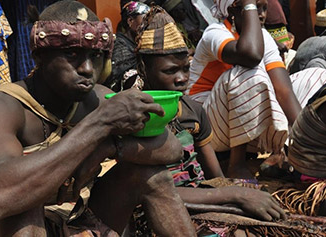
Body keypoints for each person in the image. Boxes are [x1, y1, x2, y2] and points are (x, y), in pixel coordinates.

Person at [0, 1, 197, 236]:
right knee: (24, 204)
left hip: (73, 218)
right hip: (9, 227)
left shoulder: (99, 100)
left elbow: (172, 149)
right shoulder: (3, 106)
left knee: (150, 175)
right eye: (71, 53)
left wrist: (109, 146)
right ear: (39, 56)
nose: (86, 68)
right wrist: (99, 124)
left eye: (95, 55)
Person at [133, 5, 286, 222]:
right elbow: (147, 191)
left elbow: (216, 179)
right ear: (144, 70)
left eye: (186, 68)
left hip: (201, 202)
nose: (181, 78)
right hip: (158, 212)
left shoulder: (192, 110)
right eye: (170, 71)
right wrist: (236, 194)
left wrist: (241, 195)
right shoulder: (134, 116)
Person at [186, 0, 303, 178]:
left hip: (240, 126)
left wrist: (305, 137)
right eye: (255, 8)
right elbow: (251, 56)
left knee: (312, 78)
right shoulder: (215, 33)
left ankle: (284, 152)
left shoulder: (263, 37)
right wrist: (249, 3)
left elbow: (284, 90)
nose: (263, 15)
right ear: (234, 10)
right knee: (249, 70)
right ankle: (237, 165)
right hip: (207, 127)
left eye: (264, 8)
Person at [103, 1, 150, 92]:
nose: (148, 24)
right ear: (130, 21)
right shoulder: (120, 45)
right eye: (145, 20)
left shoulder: (137, 44)